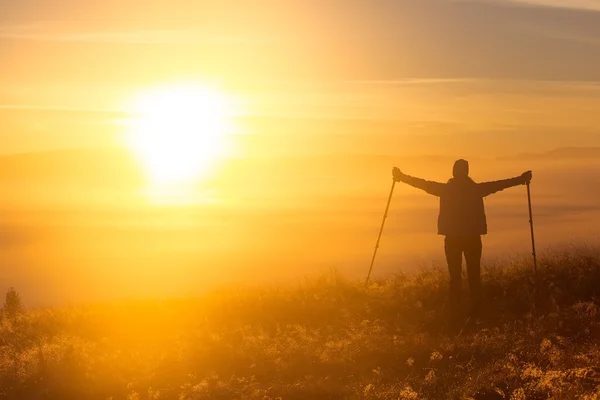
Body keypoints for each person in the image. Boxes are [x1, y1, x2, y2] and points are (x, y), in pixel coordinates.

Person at [392, 160, 532, 316]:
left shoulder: (445, 190)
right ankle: (476, 311)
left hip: (452, 239)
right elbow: (499, 184)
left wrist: (402, 177)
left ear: (453, 172)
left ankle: (454, 311)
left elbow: (423, 184)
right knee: (474, 275)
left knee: (455, 277)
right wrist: (521, 179)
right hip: (472, 238)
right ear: (467, 172)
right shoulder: (476, 189)